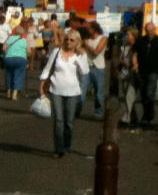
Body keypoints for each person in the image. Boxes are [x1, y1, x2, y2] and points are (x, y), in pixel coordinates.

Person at [40, 30, 90, 158]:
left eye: (72, 40)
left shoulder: (80, 55)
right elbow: (47, 68)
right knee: (58, 120)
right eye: (67, 39)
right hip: (56, 89)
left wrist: (82, 56)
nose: (68, 42)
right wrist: (41, 86)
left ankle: (67, 145)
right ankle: (59, 148)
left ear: (77, 42)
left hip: (73, 92)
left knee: (69, 122)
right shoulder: (57, 52)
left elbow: (85, 72)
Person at [132, 22, 158, 126]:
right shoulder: (140, 41)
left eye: (151, 30)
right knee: (143, 94)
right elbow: (135, 53)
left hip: (154, 70)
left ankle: (150, 115)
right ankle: (146, 115)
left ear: (155, 29)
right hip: (142, 70)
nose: (150, 32)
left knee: (149, 92)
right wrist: (135, 65)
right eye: (148, 30)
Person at [82, 20, 108, 117]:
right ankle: (76, 109)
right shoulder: (87, 39)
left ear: (94, 29)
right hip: (87, 67)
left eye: (88, 28)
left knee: (99, 92)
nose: (87, 30)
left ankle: (98, 112)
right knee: (82, 90)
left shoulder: (103, 39)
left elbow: (96, 52)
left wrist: (86, 45)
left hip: (99, 68)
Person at [4, 17, 32, 99]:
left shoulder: (9, 38)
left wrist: (9, 51)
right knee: (19, 75)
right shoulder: (24, 40)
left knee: (9, 75)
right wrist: (27, 55)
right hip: (21, 59)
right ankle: (14, 94)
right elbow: (29, 51)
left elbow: (4, 48)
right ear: (22, 33)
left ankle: (8, 91)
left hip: (9, 58)